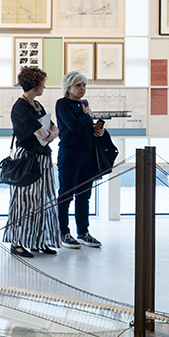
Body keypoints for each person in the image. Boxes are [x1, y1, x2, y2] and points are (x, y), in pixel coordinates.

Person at [5, 65, 60, 257]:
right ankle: (17, 242)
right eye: (42, 83)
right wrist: (49, 134)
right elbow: (41, 132)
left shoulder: (36, 105)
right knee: (24, 200)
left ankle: (37, 240)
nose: (44, 87)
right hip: (27, 159)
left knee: (43, 198)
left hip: (42, 157)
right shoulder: (20, 107)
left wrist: (51, 134)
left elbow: (52, 128)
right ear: (36, 85)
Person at [54, 71, 105, 250]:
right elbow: (73, 126)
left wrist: (97, 131)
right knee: (66, 194)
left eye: (84, 85)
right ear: (68, 87)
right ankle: (63, 232)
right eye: (78, 85)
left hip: (87, 154)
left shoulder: (83, 105)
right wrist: (86, 115)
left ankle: (83, 232)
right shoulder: (62, 104)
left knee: (84, 195)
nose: (83, 89)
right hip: (70, 154)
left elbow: (84, 128)